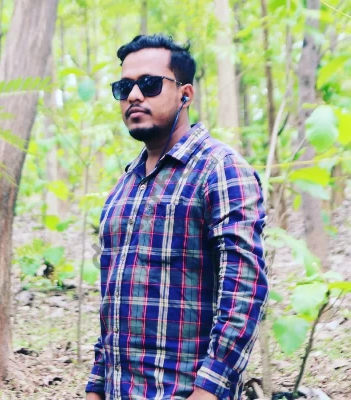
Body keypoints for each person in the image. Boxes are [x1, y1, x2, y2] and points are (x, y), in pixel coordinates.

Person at [86, 34, 268, 400]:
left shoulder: (220, 169)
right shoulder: (124, 186)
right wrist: (96, 386)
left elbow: (244, 293)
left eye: (149, 84)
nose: (134, 95)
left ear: (185, 94)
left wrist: (209, 389)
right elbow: (114, 305)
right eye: (124, 87)